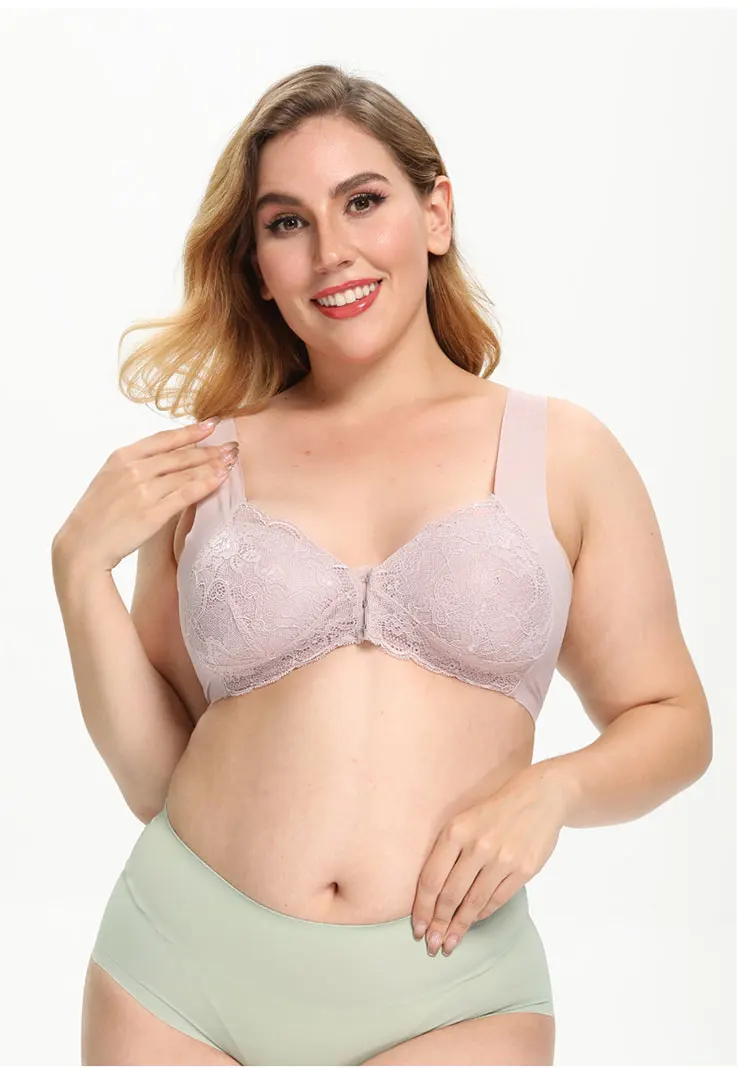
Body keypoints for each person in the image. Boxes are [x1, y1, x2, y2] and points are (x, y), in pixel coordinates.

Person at [51, 63, 713, 1067]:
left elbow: (674, 719)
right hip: (179, 974)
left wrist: (555, 792)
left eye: (363, 201)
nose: (332, 252)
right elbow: (156, 780)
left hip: (451, 992)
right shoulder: (207, 463)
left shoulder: (562, 452)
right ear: (257, 266)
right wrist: (76, 571)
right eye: (287, 222)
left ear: (435, 212)